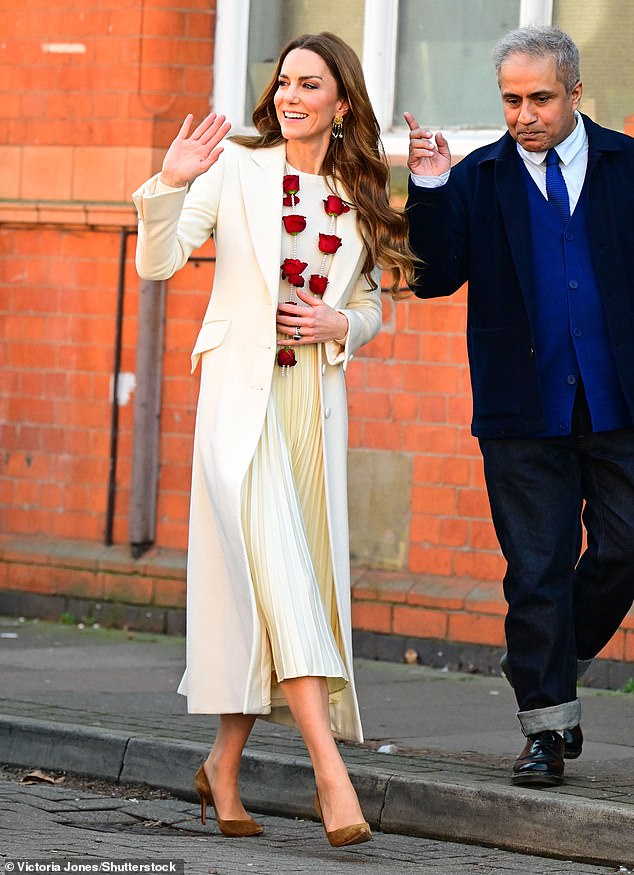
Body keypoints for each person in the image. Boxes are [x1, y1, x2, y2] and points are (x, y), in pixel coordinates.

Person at [133, 32, 415, 844]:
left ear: (343, 102)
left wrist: (342, 324)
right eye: (283, 82)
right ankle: (334, 779)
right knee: (288, 575)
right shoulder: (237, 170)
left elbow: (371, 302)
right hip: (239, 408)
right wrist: (169, 184)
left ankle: (223, 765)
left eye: (309, 84)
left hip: (309, 405)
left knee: (274, 586)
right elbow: (161, 260)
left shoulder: (361, 190)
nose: (290, 95)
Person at [405, 25, 634, 787]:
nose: (524, 114)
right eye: (511, 99)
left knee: (624, 548)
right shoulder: (479, 177)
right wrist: (430, 187)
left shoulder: (628, 167)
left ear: (574, 93)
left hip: (618, 400)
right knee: (535, 570)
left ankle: (545, 655)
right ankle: (544, 725)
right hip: (521, 408)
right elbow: (434, 278)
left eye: (539, 98)